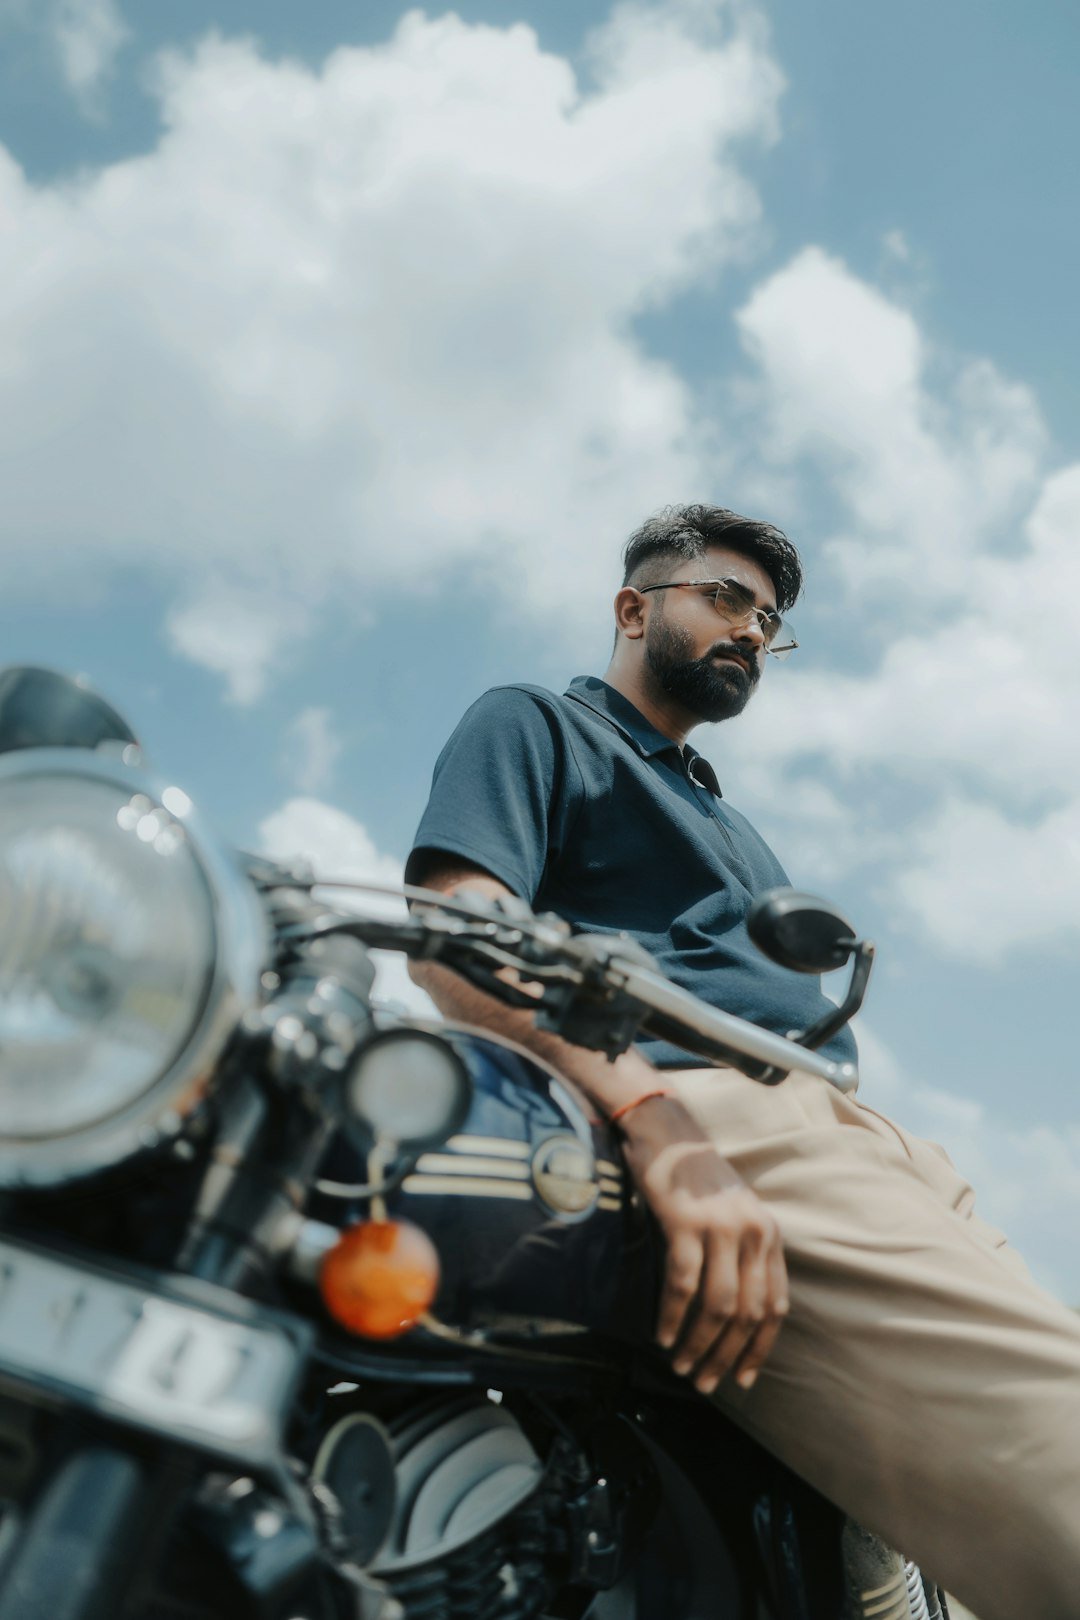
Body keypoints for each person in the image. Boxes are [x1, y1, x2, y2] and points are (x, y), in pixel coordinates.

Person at [405, 504, 1080, 1620]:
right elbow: (462, 933)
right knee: (1054, 1441)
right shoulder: (537, 723)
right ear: (634, 608)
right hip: (705, 1099)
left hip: (867, 1133)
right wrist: (656, 1120)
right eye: (726, 599)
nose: (755, 633)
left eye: (770, 621)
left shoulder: (720, 809)